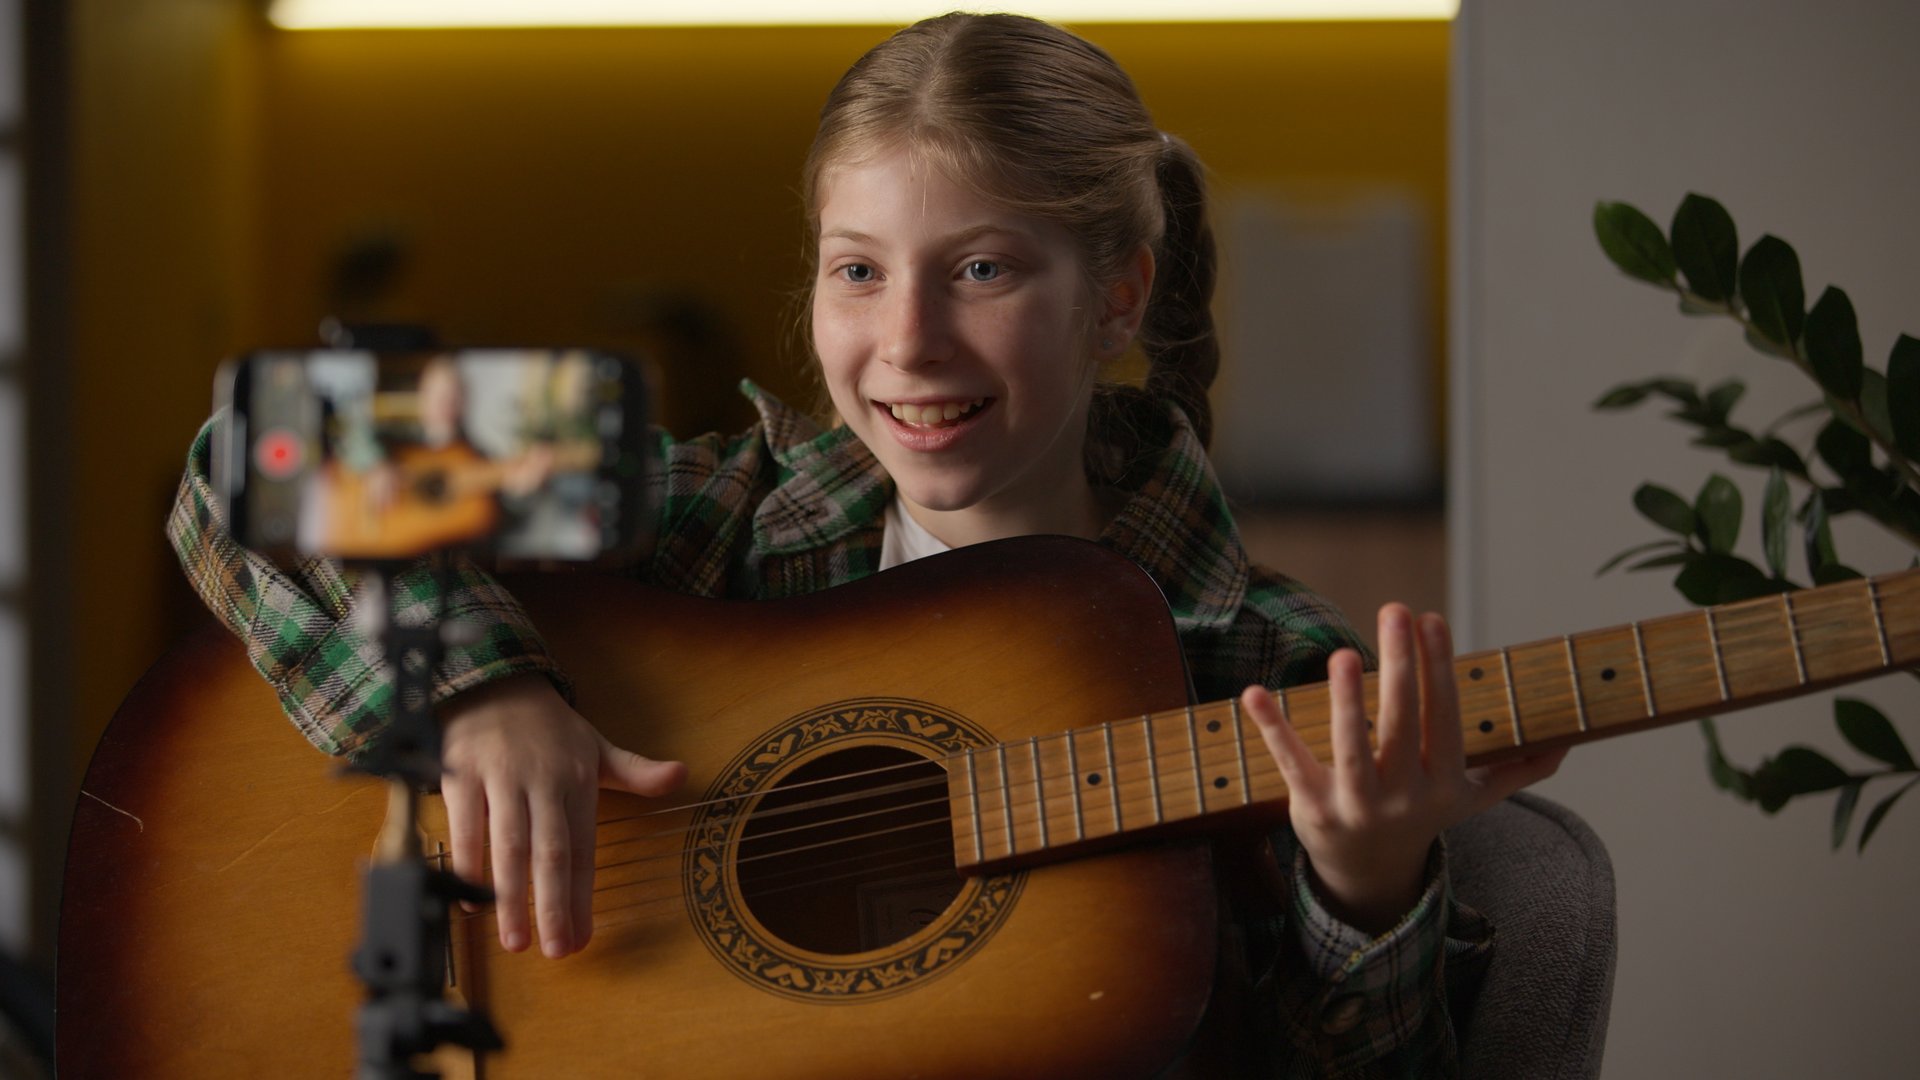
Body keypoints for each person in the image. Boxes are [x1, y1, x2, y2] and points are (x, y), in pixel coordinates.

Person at [168, 13, 1565, 1076]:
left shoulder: (1278, 665)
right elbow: (255, 462)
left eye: (982, 269)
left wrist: (1366, 886)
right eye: (857, 270)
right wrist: (478, 694)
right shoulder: (710, 500)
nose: (905, 343)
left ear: (1118, 296)